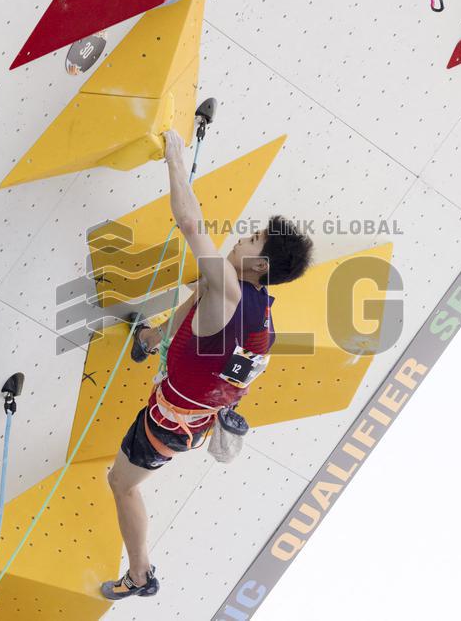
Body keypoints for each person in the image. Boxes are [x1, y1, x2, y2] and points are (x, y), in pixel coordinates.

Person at [101, 129, 314, 601]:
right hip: (196, 407)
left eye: (254, 238)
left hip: (172, 422)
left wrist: (176, 157)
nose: (244, 235)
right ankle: (151, 339)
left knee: (121, 484)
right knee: (206, 282)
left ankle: (140, 575)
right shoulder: (261, 309)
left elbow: (189, 222)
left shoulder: (234, 292)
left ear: (262, 264)